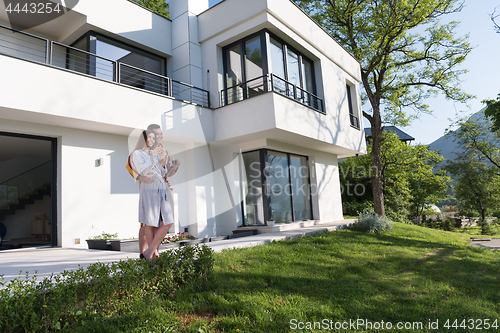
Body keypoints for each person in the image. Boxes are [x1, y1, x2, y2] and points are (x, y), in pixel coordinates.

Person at [126, 124, 180, 257]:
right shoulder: (138, 153)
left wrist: (174, 167)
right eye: (156, 134)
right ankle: (145, 253)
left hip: (161, 190)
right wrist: (140, 177)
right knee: (146, 224)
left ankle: (152, 251)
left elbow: (165, 172)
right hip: (148, 190)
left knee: (161, 223)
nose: (158, 137)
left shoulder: (162, 150)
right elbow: (130, 167)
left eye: (160, 134)